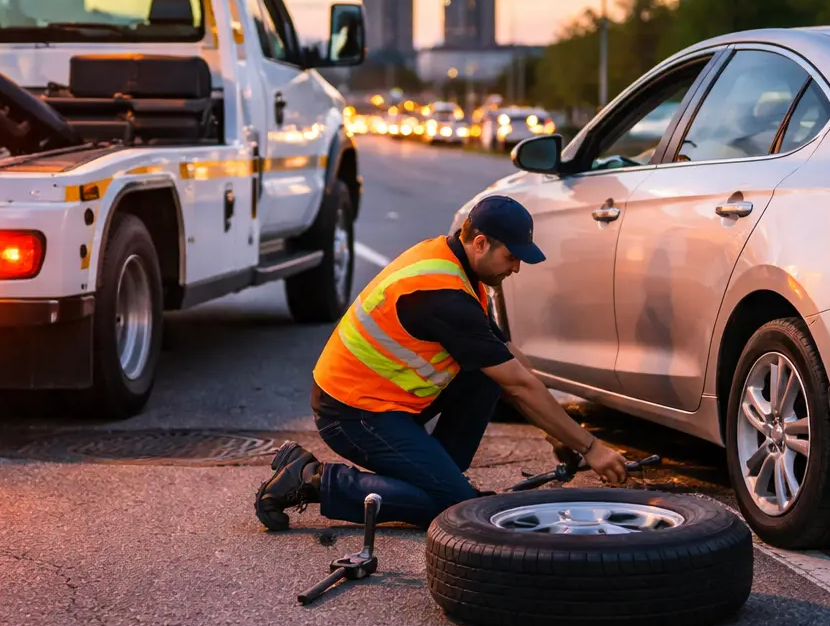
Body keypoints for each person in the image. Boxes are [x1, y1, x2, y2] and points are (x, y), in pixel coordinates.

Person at [255, 194, 629, 531]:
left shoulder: (455, 264)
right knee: (455, 507)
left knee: (490, 371)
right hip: (352, 414)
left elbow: (508, 358)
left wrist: (556, 430)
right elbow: (518, 385)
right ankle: (311, 478)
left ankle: (439, 477)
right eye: (512, 256)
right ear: (481, 243)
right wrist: (590, 447)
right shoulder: (441, 294)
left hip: (388, 402)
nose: (516, 268)